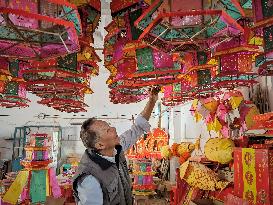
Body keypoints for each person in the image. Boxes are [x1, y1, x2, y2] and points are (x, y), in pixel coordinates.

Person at [73, 88, 159, 205]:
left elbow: (138, 127)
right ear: (100, 145)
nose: (114, 129)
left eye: (110, 126)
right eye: (108, 130)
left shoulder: (116, 149)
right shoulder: (89, 179)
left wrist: (152, 101)